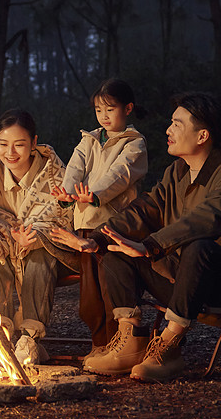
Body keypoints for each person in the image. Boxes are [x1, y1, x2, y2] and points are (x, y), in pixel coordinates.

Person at [54, 91, 221, 383]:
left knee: (200, 247)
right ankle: (130, 339)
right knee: (117, 246)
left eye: (177, 124)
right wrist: (98, 239)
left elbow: (205, 218)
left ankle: (168, 346)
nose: (168, 130)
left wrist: (151, 246)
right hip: (186, 282)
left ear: (202, 135)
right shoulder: (178, 172)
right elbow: (146, 209)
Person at [0, 109, 77, 365]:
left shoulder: (58, 176)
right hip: (8, 253)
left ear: (34, 143)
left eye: (19, 145)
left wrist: (37, 236)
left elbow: (68, 217)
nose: (10, 153)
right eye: (3, 144)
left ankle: (30, 337)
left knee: (39, 256)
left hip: (53, 252)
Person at [50, 79, 148, 362]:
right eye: (98, 110)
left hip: (115, 225)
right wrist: (67, 193)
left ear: (127, 108)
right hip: (85, 223)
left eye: (110, 109)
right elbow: (74, 168)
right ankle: (99, 343)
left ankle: (122, 343)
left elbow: (120, 175)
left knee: (112, 284)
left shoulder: (135, 143)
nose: (104, 116)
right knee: (90, 290)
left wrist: (92, 195)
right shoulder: (89, 139)